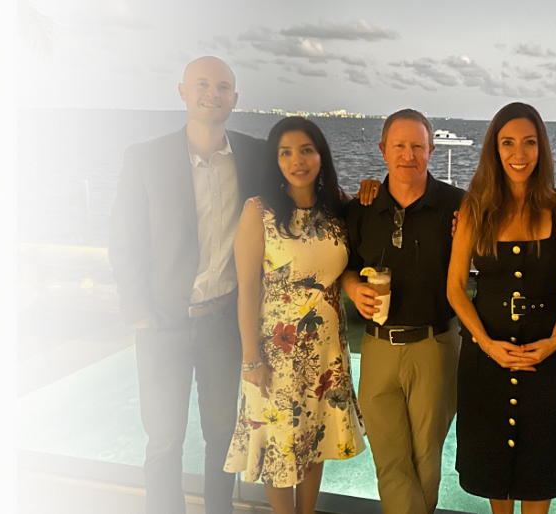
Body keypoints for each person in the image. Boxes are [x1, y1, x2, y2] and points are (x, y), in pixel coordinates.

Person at [108, 56, 271, 514]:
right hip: (162, 324)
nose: (212, 93)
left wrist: (358, 193)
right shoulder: (145, 158)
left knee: (223, 436)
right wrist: (137, 308)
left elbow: (304, 181)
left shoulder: (254, 156)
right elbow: (124, 239)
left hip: (223, 322)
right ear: (182, 91)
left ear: (234, 100)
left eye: (223, 87)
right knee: (163, 440)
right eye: (202, 84)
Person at [223, 116, 365, 514]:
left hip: (326, 352)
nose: (296, 160)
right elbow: (248, 289)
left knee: (314, 440)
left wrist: (373, 189)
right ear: (276, 160)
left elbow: (366, 237)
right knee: (279, 448)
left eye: (306, 150)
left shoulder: (338, 206)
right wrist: (252, 357)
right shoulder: (259, 211)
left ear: (321, 155)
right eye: (285, 152)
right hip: (276, 352)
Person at [446, 103, 556, 514]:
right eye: (508, 143)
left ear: (541, 148)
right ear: (494, 149)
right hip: (486, 358)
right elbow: (454, 288)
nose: (518, 154)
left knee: (540, 468)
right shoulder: (475, 207)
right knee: (493, 471)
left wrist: (555, 340)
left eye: (528, 143)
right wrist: (487, 344)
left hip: (546, 358)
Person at [338, 108, 465, 514]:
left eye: (417, 146)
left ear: (431, 149)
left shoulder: (457, 206)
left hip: (436, 345)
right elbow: (345, 266)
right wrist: (354, 286)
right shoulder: (363, 206)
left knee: (426, 460)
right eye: (399, 145)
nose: (408, 155)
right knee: (390, 460)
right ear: (382, 149)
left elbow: (483, 256)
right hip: (377, 347)